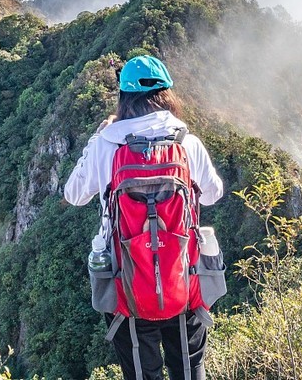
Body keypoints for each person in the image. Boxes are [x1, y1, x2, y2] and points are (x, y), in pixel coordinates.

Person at [64, 55, 224, 380]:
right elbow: (212, 193)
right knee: (189, 371)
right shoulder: (187, 142)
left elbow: (74, 194)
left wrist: (97, 137)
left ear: (123, 97)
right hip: (183, 274)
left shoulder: (107, 144)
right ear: (167, 95)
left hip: (126, 281)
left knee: (140, 373)